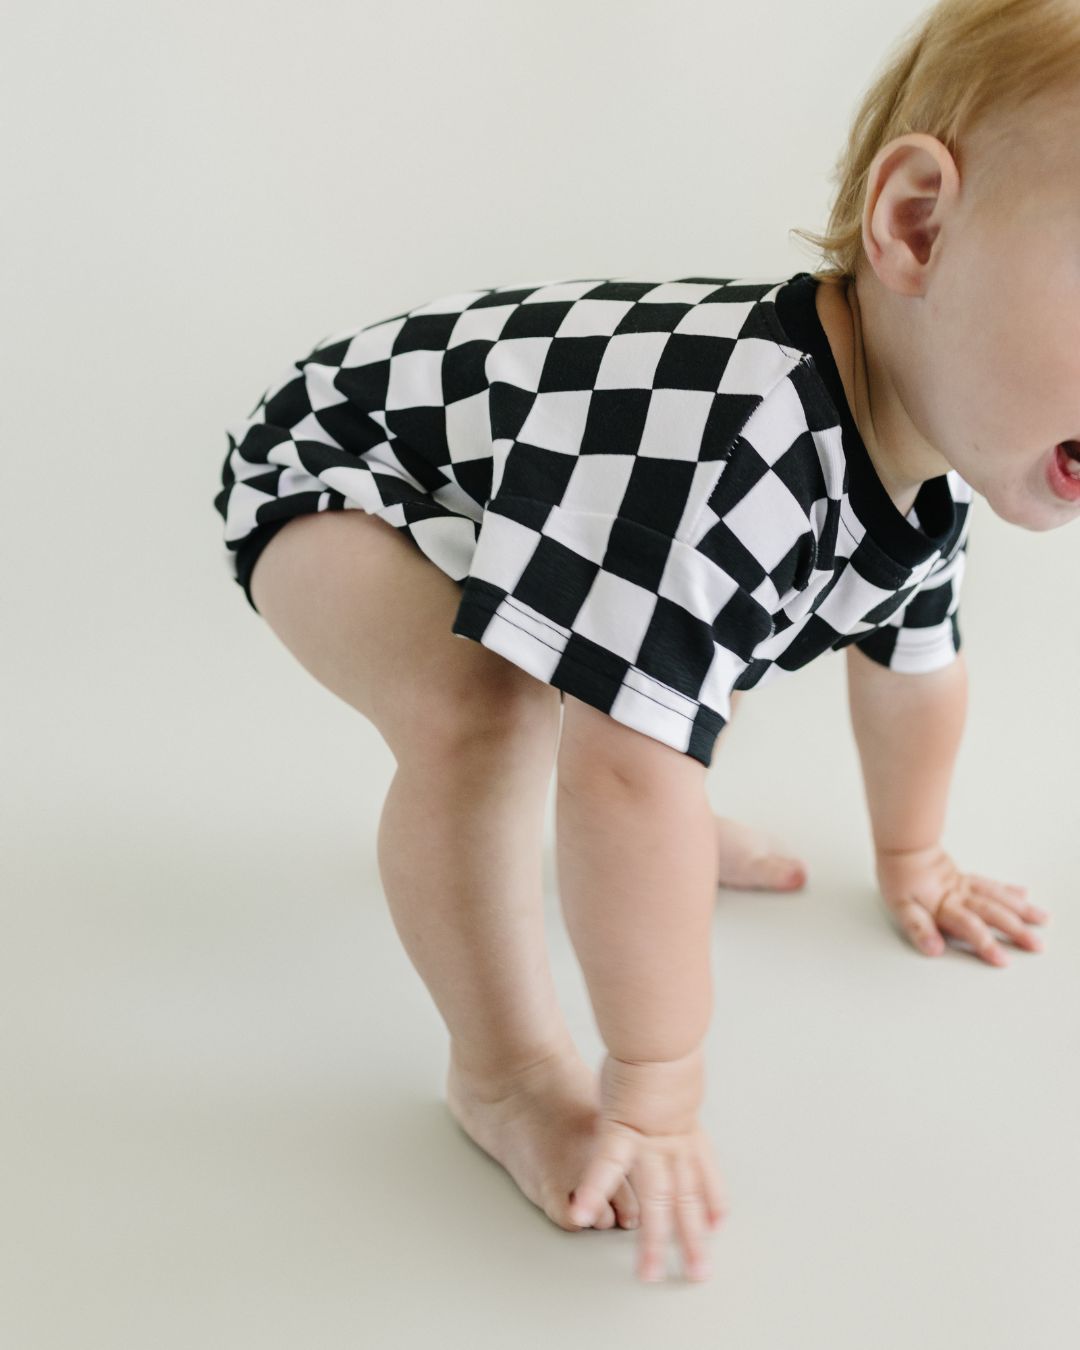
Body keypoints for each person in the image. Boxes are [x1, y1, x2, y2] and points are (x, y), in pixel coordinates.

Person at [212, 0, 1066, 1286]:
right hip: (340, 469)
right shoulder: (732, 447)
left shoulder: (932, 459)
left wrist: (916, 854)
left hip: (540, 493)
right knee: (491, 716)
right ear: (918, 226)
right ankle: (501, 1073)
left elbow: (915, 668)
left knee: (636, 720)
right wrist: (655, 1082)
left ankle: (631, 829)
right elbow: (624, 769)